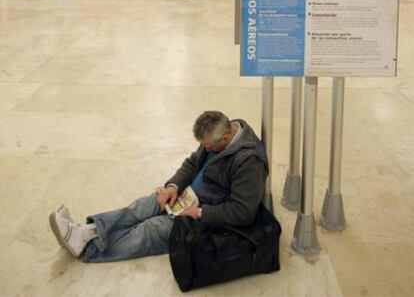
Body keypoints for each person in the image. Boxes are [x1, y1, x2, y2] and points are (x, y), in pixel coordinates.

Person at [49, 111, 268, 263]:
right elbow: (192, 163)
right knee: (142, 208)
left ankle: (89, 249)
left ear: (226, 138)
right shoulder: (218, 134)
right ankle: (87, 231)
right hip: (187, 196)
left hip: (206, 217)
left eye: (208, 146)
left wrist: (200, 212)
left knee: (149, 231)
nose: (204, 149)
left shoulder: (249, 163)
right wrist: (173, 186)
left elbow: (243, 212)